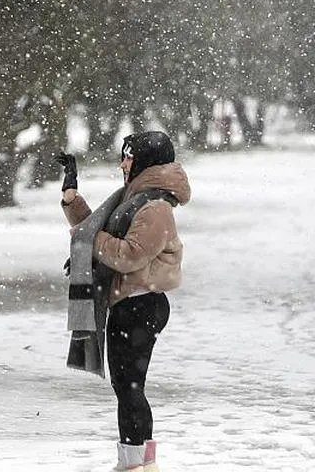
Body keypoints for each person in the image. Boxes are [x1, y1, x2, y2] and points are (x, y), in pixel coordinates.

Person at [57, 131, 191, 472]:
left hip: (140, 306)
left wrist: (89, 240)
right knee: (129, 387)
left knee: (129, 388)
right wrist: (73, 200)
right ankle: (143, 463)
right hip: (132, 304)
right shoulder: (135, 198)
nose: (123, 163)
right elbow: (103, 232)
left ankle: (133, 465)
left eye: (128, 156)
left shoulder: (155, 207)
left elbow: (129, 255)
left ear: (145, 160)